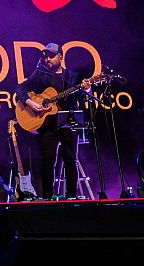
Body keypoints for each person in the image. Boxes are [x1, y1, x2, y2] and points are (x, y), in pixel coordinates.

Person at [15, 43, 91, 200]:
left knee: (70, 159)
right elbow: (20, 88)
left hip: (67, 122)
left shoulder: (73, 77)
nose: (47, 59)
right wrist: (30, 102)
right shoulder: (41, 73)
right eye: (46, 56)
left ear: (60, 57)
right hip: (47, 124)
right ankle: (47, 197)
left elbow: (83, 98)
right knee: (48, 161)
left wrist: (88, 89)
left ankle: (71, 196)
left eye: (51, 56)